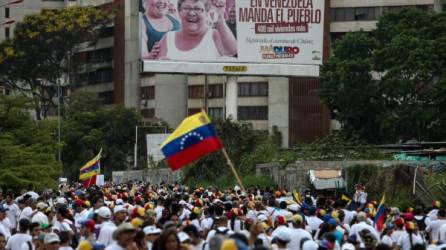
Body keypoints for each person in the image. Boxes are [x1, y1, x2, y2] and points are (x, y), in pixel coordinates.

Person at [157, 0, 237, 61]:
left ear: (206, 13)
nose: (192, 13)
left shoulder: (213, 35)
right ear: (179, 12)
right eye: (186, 8)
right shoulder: (168, 38)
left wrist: (220, 18)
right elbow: (153, 69)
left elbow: (231, 51)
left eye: (198, 9)